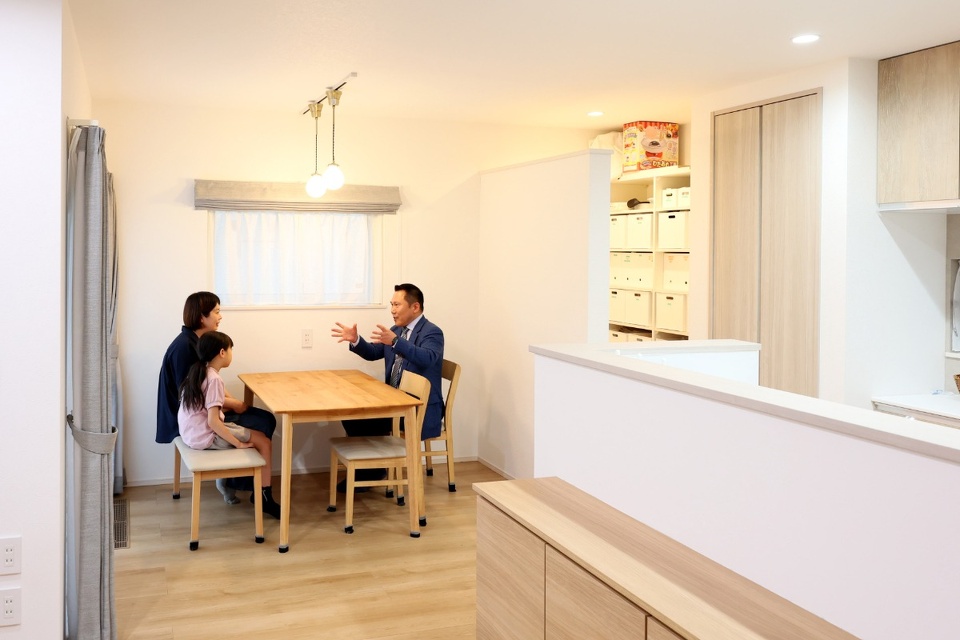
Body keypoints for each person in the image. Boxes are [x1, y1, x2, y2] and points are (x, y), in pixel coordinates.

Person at [156, 291, 276, 503]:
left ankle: (243, 482)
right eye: (216, 312)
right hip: (194, 420)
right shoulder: (185, 348)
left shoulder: (197, 342)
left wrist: (234, 403)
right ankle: (237, 482)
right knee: (263, 422)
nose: (220, 317)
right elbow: (195, 397)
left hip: (202, 413)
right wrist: (234, 404)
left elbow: (210, 382)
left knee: (262, 417)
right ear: (202, 317)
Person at [331, 283, 444, 492]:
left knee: (361, 418)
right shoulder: (396, 331)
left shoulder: (432, 332)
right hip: (394, 402)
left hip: (418, 409)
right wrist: (356, 340)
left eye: (397, 305)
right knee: (351, 414)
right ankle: (371, 469)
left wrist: (397, 342)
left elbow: (428, 358)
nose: (392, 310)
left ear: (415, 307)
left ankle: (372, 471)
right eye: (391, 304)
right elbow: (374, 352)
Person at [178, 331, 281, 519]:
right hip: (206, 436)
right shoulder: (214, 379)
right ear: (222, 352)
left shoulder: (198, 372)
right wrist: (238, 443)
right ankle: (263, 495)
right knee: (264, 442)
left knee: (257, 430)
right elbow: (213, 421)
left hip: (192, 433)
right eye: (231, 349)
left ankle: (238, 483)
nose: (232, 353)